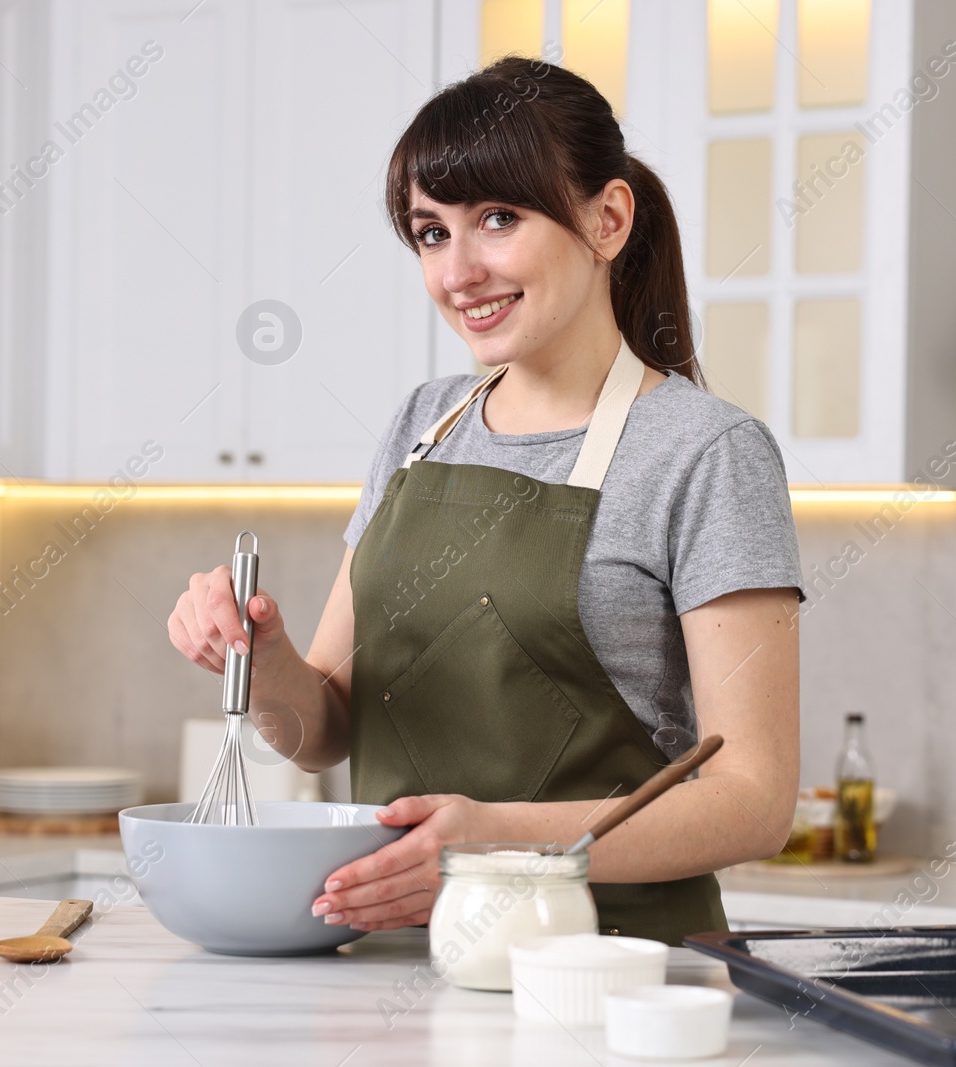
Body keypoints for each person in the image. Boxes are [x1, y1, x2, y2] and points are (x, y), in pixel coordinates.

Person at [168, 55, 803, 946]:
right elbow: (325, 730)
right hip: (400, 960)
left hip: (608, 973)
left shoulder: (705, 452)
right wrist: (262, 658)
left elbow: (754, 802)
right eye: (431, 232)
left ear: (608, 219)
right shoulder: (423, 424)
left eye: (497, 219)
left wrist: (494, 843)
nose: (458, 270)